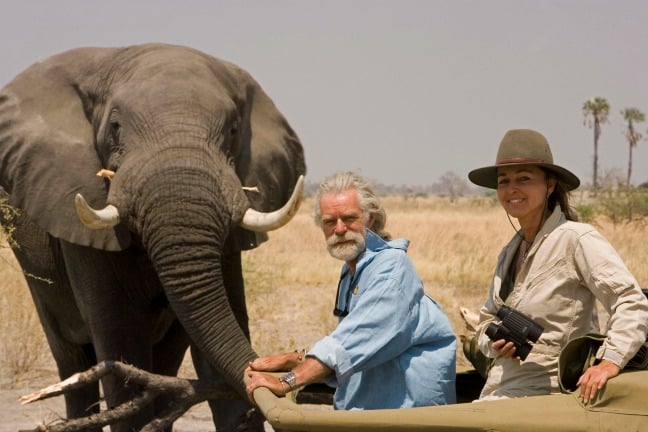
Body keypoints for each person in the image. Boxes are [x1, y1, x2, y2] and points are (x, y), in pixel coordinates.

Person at [245, 171, 457, 410]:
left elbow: (355, 341)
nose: (339, 229)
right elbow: (359, 344)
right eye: (329, 221)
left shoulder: (391, 271)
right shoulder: (354, 270)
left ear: (371, 218)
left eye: (349, 218)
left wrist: (286, 381)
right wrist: (297, 358)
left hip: (405, 418)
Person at [466, 128, 648, 404]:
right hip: (499, 385)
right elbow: (486, 320)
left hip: (546, 392)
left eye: (524, 179)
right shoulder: (510, 251)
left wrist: (610, 361)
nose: (511, 189)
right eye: (504, 181)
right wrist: (492, 344)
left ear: (549, 185)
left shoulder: (576, 239)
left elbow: (630, 300)